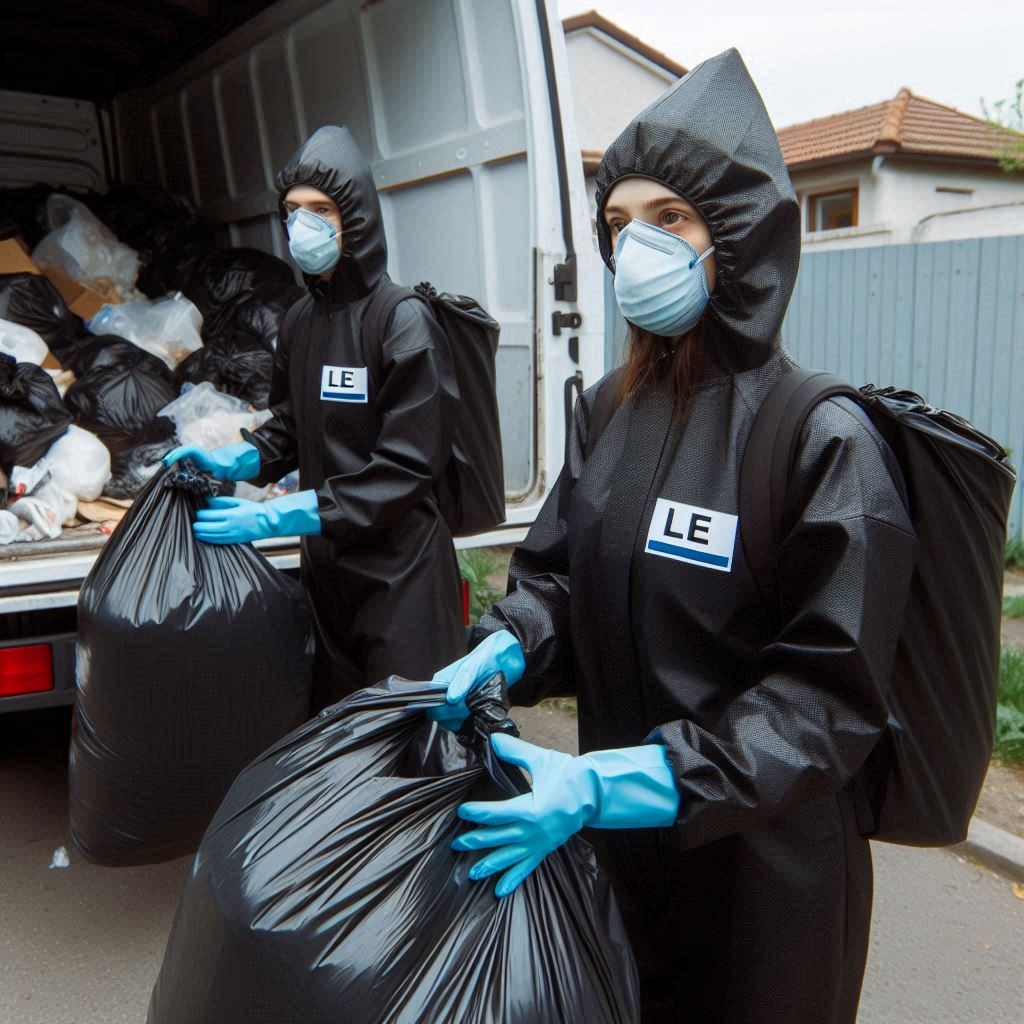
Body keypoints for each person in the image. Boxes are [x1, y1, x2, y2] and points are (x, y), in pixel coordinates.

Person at [431, 49, 917, 1024]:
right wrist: (510, 642)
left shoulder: (818, 437)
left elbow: (827, 701)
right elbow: (560, 580)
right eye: (618, 224)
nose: (634, 247)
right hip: (623, 857)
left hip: (765, 885)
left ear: (735, 235)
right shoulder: (609, 412)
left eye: (669, 220)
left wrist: (633, 779)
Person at [165, 125, 465, 707]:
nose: (304, 224)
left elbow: (402, 472)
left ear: (355, 216)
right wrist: (237, 455)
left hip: (400, 577)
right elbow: (290, 426)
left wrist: (279, 516)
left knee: (408, 744)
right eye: (293, 210)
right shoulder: (300, 320)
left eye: (321, 208)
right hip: (328, 572)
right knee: (335, 741)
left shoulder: (401, 322)